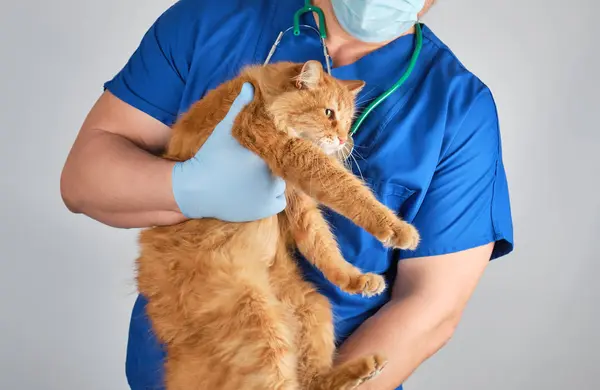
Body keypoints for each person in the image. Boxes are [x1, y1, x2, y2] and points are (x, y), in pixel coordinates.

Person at [60, 0, 514, 389]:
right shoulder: (210, 19)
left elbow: (431, 307)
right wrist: (186, 188)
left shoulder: (459, 107)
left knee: (305, 314)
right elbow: (83, 180)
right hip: (189, 338)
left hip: (312, 351)